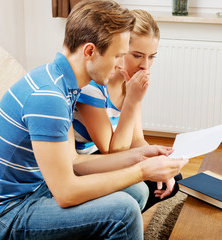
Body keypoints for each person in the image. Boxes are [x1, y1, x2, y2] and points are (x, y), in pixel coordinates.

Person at [0, 1, 188, 239]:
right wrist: (143, 171)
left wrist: (140, 156)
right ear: (90, 51)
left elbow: (74, 161)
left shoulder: (62, 82)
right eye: (118, 55)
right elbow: (65, 192)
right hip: (3, 214)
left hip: (37, 186)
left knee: (135, 191)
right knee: (124, 211)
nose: (119, 65)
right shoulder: (49, 99)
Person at [73, 9, 182, 212]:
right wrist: (132, 100)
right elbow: (111, 151)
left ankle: (120, 217)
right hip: (87, 162)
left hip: (108, 155)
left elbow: (137, 141)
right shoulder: (92, 86)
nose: (145, 66)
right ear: (120, 49)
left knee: (174, 177)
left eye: (152, 57)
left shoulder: (128, 82)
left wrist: (159, 162)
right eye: (137, 55)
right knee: (144, 185)